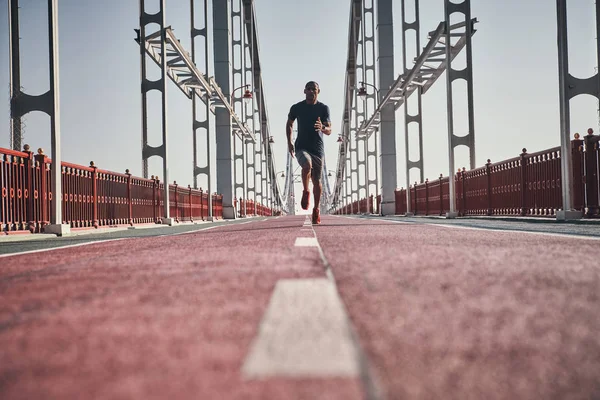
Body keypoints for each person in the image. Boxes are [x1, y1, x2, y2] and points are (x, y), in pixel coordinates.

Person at [286, 81, 332, 224]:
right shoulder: (296, 107)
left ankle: (316, 210)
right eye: (309, 89)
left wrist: (322, 127)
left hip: (318, 149)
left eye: (314, 89)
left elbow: (329, 129)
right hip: (301, 147)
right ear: (304, 91)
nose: (311, 91)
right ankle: (306, 191)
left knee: (317, 181)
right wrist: (289, 142)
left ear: (318, 91)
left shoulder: (323, 108)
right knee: (306, 165)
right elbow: (289, 123)